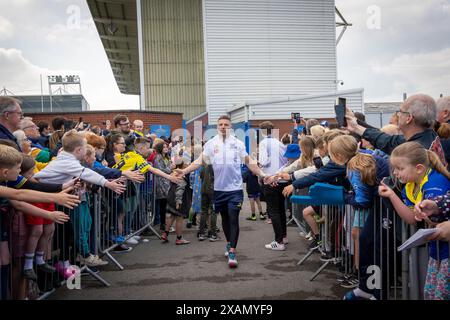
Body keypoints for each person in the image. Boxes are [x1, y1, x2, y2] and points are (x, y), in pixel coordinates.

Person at [174, 115, 267, 268]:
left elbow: (250, 162)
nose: (223, 126)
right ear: (217, 127)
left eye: (226, 124)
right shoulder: (211, 144)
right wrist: (184, 171)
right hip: (218, 190)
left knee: (233, 218)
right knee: (224, 219)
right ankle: (229, 243)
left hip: (235, 190)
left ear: (230, 127)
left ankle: (232, 251)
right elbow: (199, 161)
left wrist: (263, 175)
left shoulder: (238, 143)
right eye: (220, 124)